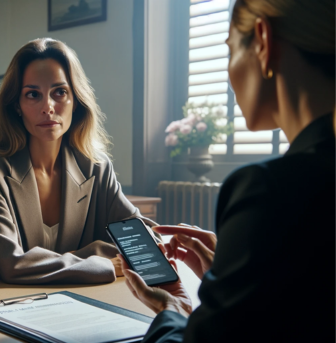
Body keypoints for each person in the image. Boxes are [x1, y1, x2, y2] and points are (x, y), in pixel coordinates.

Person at [120, 0, 335, 342]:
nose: (229, 72)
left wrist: (172, 312)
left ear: (263, 40)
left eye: (230, 50)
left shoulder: (267, 190)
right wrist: (233, 283)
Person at [0, 38, 158, 284]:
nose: (48, 107)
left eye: (60, 92)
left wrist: (62, 260)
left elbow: (146, 244)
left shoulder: (96, 167)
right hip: (15, 305)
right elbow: (11, 263)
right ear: (17, 105)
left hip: (88, 301)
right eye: (33, 94)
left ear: (76, 100)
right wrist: (97, 255)